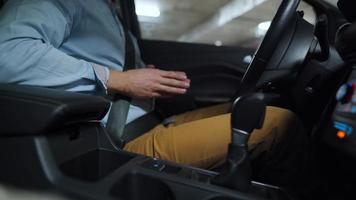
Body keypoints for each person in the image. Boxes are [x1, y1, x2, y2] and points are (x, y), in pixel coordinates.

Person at [0, 0, 302, 169]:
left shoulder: (109, 12)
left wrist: (142, 73)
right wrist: (118, 79)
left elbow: (99, 60)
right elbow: (7, 55)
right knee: (277, 123)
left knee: (259, 108)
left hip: (152, 122)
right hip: (117, 141)